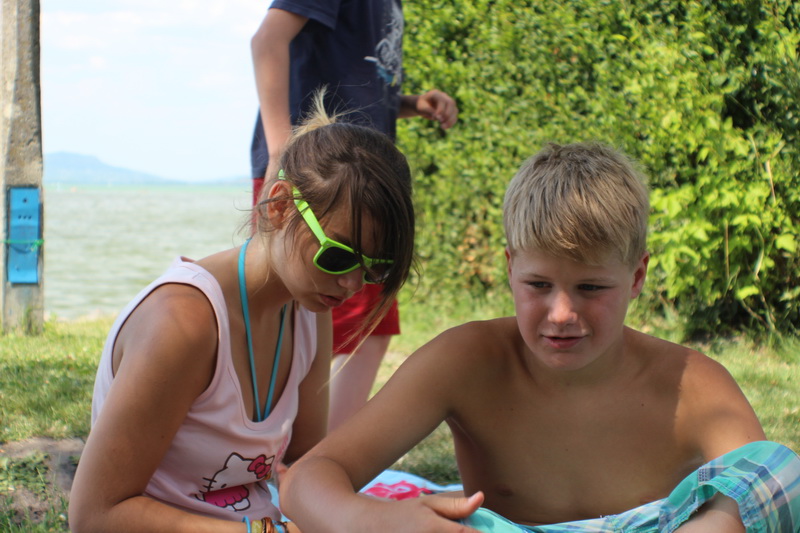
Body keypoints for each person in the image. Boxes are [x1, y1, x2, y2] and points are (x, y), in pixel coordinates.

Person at [279, 142, 800, 532]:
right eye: (538, 285)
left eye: (591, 287)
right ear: (510, 268)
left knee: (780, 466)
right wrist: (372, 520)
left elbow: (773, 488)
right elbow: (307, 477)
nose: (562, 314)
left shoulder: (694, 386)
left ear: (637, 276)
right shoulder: (467, 360)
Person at [68, 96, 417, 533]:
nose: (352, 283)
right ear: (280, 206)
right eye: (338, 256)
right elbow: (94, 516)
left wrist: (377, 519)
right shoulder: (183, 323)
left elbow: (304, 468)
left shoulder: (309, 311)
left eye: (374, 268)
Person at [249, 0, 458, 432]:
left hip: (365, 184)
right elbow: (267, 40)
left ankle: (320, 454)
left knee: (371, 325)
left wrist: (409, 103)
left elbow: (357, 85)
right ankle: (296, 451)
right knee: (295, 318)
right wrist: (280, 152)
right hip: (319, 183)